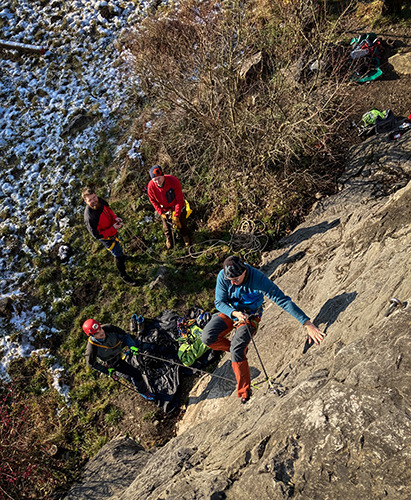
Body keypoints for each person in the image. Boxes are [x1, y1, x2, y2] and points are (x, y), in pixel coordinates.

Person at [201, 256, 326, 404]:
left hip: (250, 315)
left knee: (237, 349)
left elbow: (282, 300)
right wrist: (234, 313)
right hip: (231, 311)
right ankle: (238, 351)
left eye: (235, 279)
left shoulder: (258, 279)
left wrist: (307, 324)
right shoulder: (224, 276)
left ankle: (244, 391)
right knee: (207, 337)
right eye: (230, 279)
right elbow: (219, 302)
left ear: (244, 271)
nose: (232, 283)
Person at [83, 318, 155, 401]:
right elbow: (91, 364)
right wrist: (107, 371)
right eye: (97, 333)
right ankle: (143, 391)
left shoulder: (109, 328)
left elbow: (125, 336)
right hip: (112, 359)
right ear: (92, 335)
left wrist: (131, 346)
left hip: (120, 346)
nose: (101, 333)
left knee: (138, 345)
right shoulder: (91, 349)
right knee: (136, 374)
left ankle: (128, 352)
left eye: (100, 329)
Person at [82, 187, 138, 286]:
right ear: (86, 202)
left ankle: (122, 255)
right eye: (90, 200)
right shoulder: (90, 217)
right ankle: (123, 275)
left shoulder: (101, 201)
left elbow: (108, 210)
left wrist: (115, 218)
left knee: (119, 248)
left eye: (94, 197)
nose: (94, 201)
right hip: (107, 238)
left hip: (113, 229)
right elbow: (97, 235)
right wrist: (113, 228)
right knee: (117, 254)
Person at [147, 165, 190, 249]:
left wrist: (176, 215)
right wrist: (161, 212)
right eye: (154, 180)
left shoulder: (173, 181)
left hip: (177, 206)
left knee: (182, 223)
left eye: (159, 178)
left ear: (163, 175)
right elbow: (153, 201)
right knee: (166, 227)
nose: (157, 182)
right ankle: (169, 239)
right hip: (164, 209)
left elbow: (179, 200)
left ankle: (185, 236)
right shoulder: (151, 187)